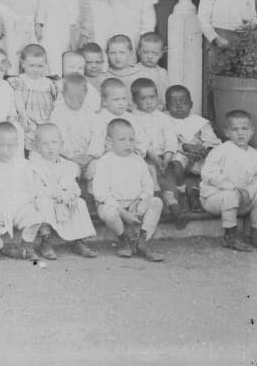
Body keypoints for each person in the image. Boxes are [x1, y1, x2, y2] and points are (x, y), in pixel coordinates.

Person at [91, 117, 165, 261]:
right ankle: (124, 239)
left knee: (156, 202)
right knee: (108, 212)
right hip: (114, 205)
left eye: (131, 140)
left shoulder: (138, 160)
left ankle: (142, 241)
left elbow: (148, 185)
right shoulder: (104, 162)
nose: (128, 144)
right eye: (122, 139)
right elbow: (101, 193)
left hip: (134, 203)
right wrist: (123, 212)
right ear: (109, 142)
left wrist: (142, 199)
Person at [29, 124, 98, 259]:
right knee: (43, 204)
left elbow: (73, 186)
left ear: (61, 144)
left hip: (64, 199)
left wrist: (71, 195)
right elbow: (37, 189)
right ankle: (45, 239)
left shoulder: (67, 165)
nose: (50, 147)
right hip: (48, 198)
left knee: (80, 203)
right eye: (45, 143)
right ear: (37, 146)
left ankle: (78, 240)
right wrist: (57, 196)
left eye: (54, 142)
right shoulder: (35, 165)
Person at [0, 122, 43, 259]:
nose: (5, 150)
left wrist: (35, 200)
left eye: (10, 146)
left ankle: (27, 244)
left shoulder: (24, 165)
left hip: (19, 206)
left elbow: (34, 185)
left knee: (34, 217)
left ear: (17, 145)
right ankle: (2, 247)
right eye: (0, 145)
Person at [128, 78, 183, 227]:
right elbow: (140, 141)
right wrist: (156, 159)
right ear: (134, 100)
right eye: (143, 98)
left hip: (163, 157)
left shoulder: (163, 117)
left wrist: (167, 156)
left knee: (168, 174)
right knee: (150, 173)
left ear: (158, 97)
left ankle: (172, 204)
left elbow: (170, 137)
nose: (149, 102)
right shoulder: (133, 118)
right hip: (145, 157)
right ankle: (161, 201)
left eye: (152, 97)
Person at [200, 109, 257, 251]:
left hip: (242, 201)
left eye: (245, 129)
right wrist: (233, 188)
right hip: (214, 199)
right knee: (230, 195)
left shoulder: (254, 154)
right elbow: (208, 173)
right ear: (226, 132)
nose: (240, 133)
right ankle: (230, 236)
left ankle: (255, 232)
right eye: (235, 129)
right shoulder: (221, 150)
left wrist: (248, 192)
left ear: (252, 131)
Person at [164, 84, 220, 213]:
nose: (179, 106)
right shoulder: (164, 121)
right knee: (176, 163)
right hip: (179, 156)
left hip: (199, 158)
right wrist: (184, 147)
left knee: (213, 164)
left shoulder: (200, 122)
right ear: (167, 107)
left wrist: (204, 149)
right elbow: (164, 142)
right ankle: (182, 192)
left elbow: (213, 141)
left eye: (183, 102)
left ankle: (195, 192)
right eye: (174, 103)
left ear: (191, 104)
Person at [198, 0, 257, 73]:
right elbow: (203, 18)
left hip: (241, 37)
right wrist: (214, 37)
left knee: (240, 70)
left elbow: (253, 17)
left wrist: (250, 25)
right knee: (217, 71)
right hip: (218, 35)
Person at [11, 43, 57, 154]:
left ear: (45, 65)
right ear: (23, 64)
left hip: (45, 121)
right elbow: (18, 100)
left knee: (45, 145)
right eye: (32, 65)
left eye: (40, 66)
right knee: (27, 146)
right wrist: (23, 116)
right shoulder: (20, 81)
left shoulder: (49, 83)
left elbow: (55, 102)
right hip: (27, 120)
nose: (36, 70)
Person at [49, 73, 99, 176]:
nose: (75, 101)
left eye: (80, 98)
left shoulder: (90, 113)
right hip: (68, 156)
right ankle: (72, 184)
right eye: (71, 97)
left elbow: (98, 135)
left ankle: (91, 183)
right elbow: (60, 136)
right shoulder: (58, 113)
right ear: (63, 94)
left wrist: (91, 154)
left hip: (89, 156)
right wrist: (71, 156)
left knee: (97, 167)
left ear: (86, 93)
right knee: (69, 169)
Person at [90, 78, 134, 164]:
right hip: (107, 156)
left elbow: (140, 139)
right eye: (116, 100)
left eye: (124, 99)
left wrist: (137, 151)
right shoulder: (99, 119)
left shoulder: (131, 118)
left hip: (129, 154)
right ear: (104, 102)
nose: (121, 103)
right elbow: (97, 141)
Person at [135, 33, 169, 98]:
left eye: (154, 53)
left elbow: (164, 93)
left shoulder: (162, 73)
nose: (150, 57)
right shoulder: (133, 70)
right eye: (145, 52)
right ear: (139, 52)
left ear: (161, 54)